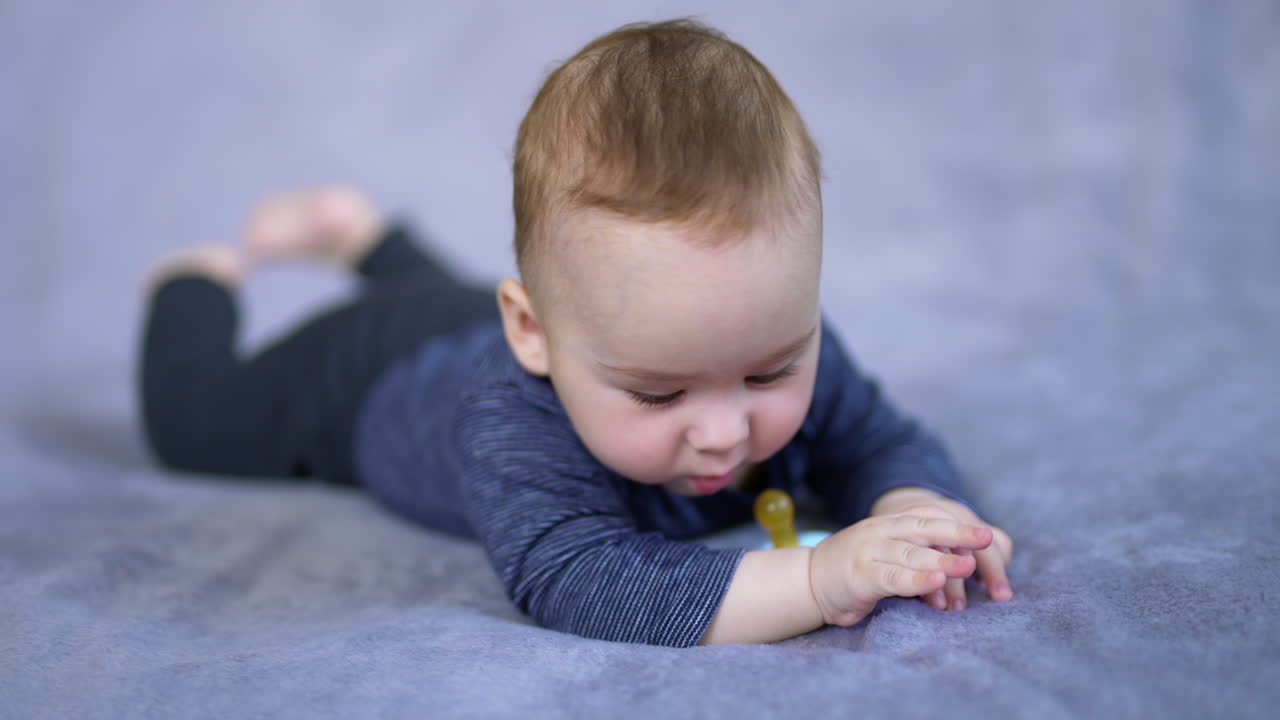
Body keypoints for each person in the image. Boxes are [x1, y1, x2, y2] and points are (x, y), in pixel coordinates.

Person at [138, 19, 1014, 647]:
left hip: (500, 319)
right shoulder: (512, 429)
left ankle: (361, 235)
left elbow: (879, 441)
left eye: (768, 373)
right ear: (536, 338)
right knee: (190, 424)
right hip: (365, 380)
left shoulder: (711, 333)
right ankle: (191, 282)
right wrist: (822, 579)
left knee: (461, 299)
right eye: (659, 392)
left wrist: (919, 515)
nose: (724, 431)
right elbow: (586, 584)